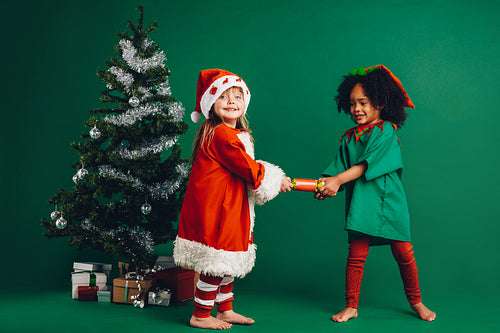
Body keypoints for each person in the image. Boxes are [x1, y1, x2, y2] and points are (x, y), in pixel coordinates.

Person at [174, 68, 293, 330]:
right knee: (216, 260)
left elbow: (245, 165)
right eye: (222, 97)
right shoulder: (220, 134)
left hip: (231, 203)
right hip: (218, 207)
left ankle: (225, 309)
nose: (231, 102)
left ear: (244, 103)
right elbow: (248, 168)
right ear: (210, 105)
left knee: (229, 259)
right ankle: (201, 314)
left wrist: (266, 174)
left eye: (237, 97)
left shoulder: (234, 134)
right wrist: (275, 178)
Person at [315, 65, 436, 322]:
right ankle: (351, 306)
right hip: (362, 203)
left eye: (363, 102)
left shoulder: (386, 131)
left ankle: (416, 301)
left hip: (389, 202)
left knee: (404, 253)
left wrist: (337, 180)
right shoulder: (348, 138)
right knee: (356, 255)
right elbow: (337, 170)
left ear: (380, 103)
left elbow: (362, 166)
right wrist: (325, 185)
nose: (356, 109)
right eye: (352, 103)